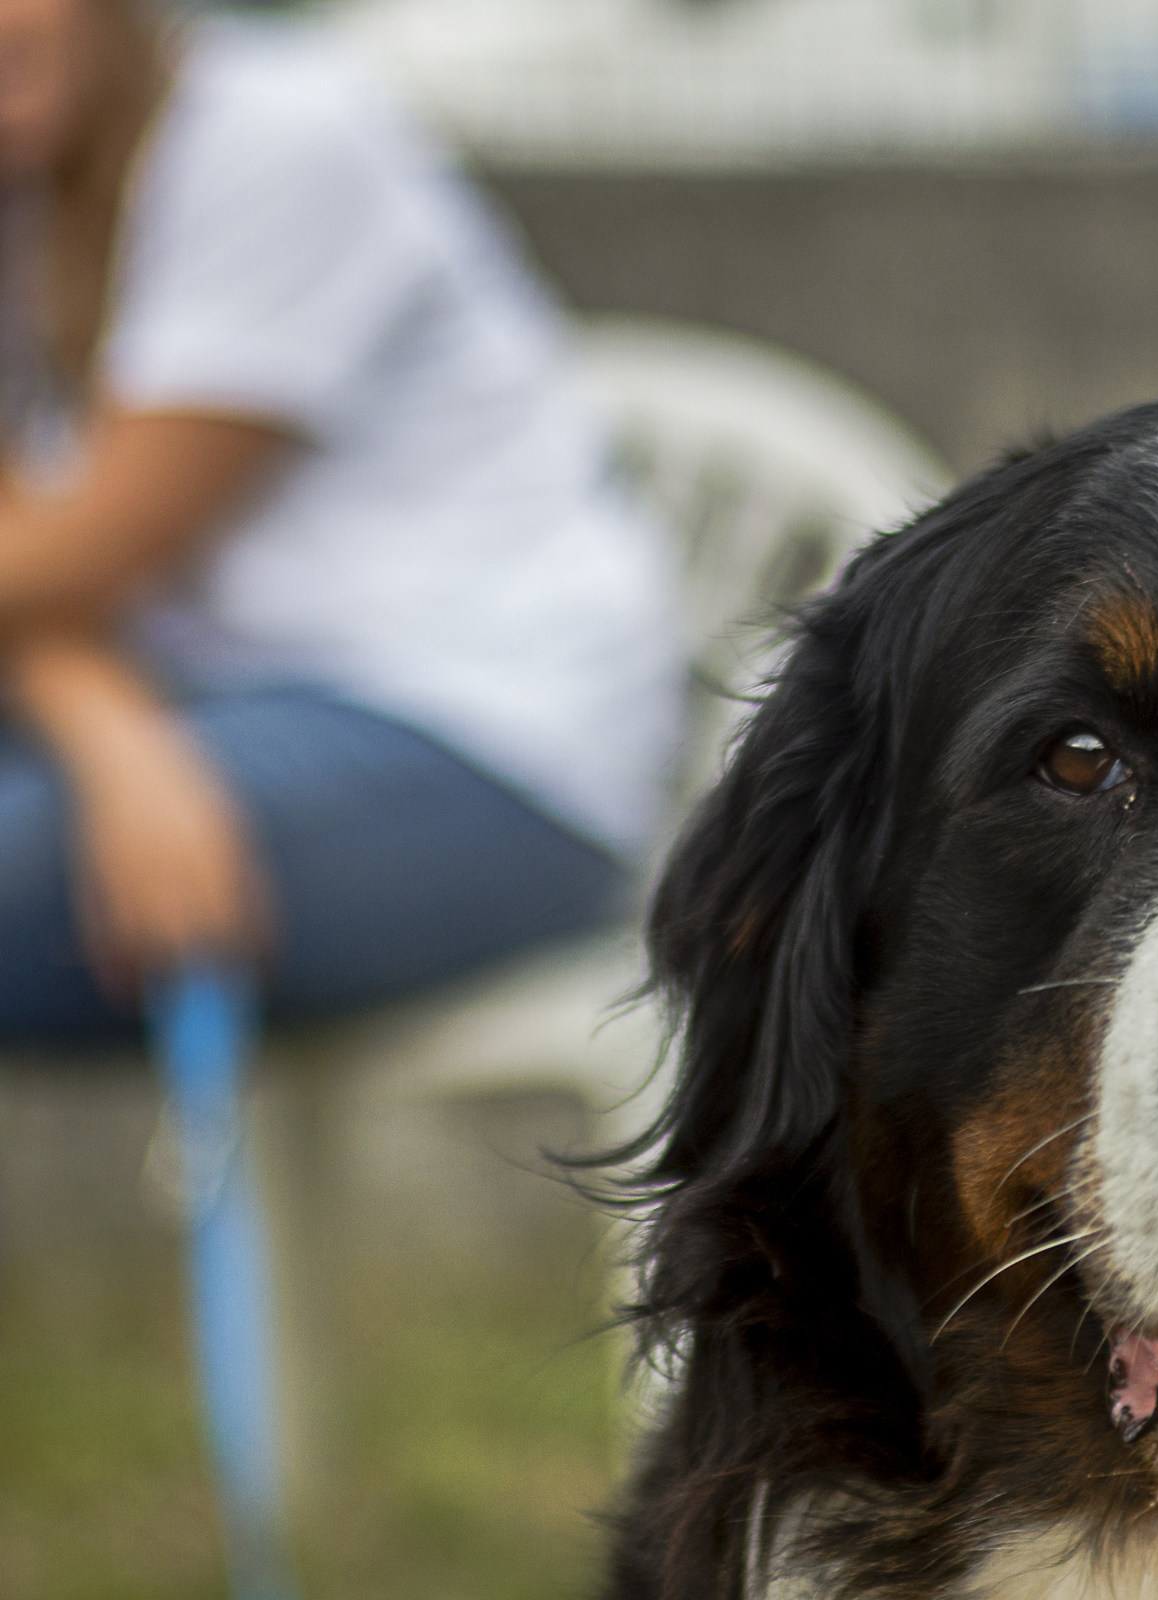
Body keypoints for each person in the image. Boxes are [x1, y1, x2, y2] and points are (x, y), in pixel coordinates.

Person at [0, 0, 684, 1038]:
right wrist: (114, 738)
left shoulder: (277, 136)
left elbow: (79, 556)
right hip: (194, 703)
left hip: (475, 738)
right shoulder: (33, 187)